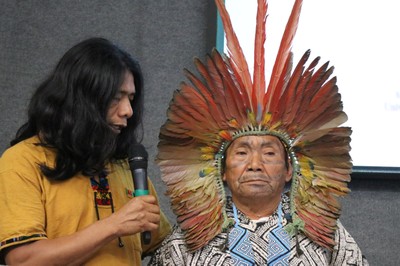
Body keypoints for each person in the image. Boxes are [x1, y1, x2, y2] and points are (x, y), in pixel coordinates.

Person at [149, 0, 368, 265]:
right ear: (222, 170)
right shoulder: (187, 241)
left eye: (269, 153)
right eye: (242, 152)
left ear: (289, 169)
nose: (255, 165)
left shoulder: (327, 237)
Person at [0, 37, 171, 265]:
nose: (128, 111)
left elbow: (165, 246)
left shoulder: (125, 166)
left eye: (131, 99)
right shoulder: (22, 161)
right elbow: (23, 260)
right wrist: (113, 226)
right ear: (79, 99)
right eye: (115, 97)